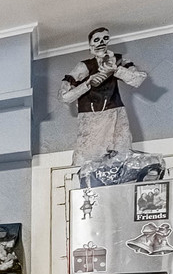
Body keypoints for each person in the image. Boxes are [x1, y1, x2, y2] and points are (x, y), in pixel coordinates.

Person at [60, 27, 148, 169]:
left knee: (122, 157)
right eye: (96, 40)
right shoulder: (84, 66)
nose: (101, 43)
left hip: (116, 113)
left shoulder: (119, 60)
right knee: (85, 160)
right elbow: (65, 97)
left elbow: (138, 79)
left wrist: (116, 70)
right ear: (91, 45)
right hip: (91, 117)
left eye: (105, 38)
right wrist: (87, 83)